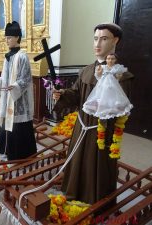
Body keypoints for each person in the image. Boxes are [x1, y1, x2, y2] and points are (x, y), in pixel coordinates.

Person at [53, 23, 134, 205]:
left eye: (104, 39)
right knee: (77, 160)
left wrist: (106, 80)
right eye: (95, 38)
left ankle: (95, 199)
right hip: (82, 126)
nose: (98, 43)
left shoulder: (121, 74)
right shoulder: (86, 70)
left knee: (95, 164)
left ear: (115, 41)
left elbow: (118, 105)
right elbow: (76, 95)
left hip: (102, 130)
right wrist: (63, 94)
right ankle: (74, 192)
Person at [0, 21, 37, 160]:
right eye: (6, 38)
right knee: (6, 125)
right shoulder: (8, 57)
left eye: (9, 38)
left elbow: (26, 79)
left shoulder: (22, 57)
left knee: (18, 127)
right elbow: (5, 77)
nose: (6, 40)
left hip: (18, 101)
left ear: (17, 37)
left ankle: (20, 154)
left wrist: (16, 86)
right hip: (8, 98)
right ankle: (6, 150)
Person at [83, 53, 133, 119]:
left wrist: (118, 76)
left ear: (115, 60)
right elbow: (98, 77)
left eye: (112, 59)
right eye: (108, 59)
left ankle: (114, 117)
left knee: (113, 102)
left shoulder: (117, 67)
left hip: (113, 88)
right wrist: (99, 73)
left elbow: (118, 78)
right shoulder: (102, 67)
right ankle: (102, 117)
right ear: (106, 60)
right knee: (101, 101)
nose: (110, 60)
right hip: (102, 87)